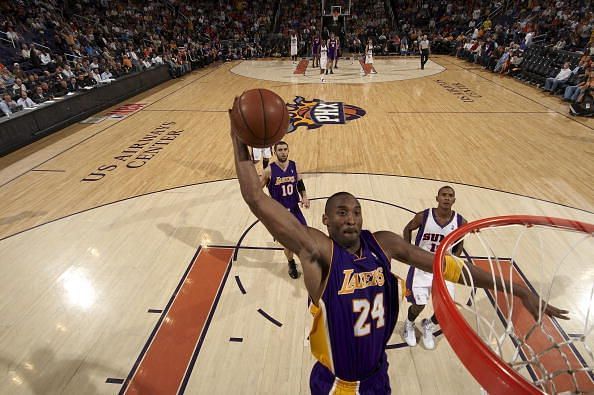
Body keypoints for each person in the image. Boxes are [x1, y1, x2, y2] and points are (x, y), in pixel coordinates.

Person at [229, 103, 568, 394]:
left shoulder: (384, 244)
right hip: (337, 384)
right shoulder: (320, 250)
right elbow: (255, 198)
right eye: (341, 212)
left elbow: (447, 265)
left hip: (379, 378)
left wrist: (517, 289)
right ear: (326, 221)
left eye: (356, 211)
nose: (351, 218)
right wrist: (238, 138)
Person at [402, 186, 467, 349]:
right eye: (443, 195)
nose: (446, 198)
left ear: (454, 200)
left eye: (450, 196)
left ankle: (428, 325)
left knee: (446, 308)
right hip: (422, 266)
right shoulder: (423, 216)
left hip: (443, 268)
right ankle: (409, 324)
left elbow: (460, 242)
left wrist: (455, 260)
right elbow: (407, 229)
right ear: (437, 198)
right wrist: (409, 250)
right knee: (419, 304)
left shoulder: (460, 222)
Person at [259, 141, 310, 279]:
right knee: (288, 244)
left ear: (288, 151)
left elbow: (299, 183)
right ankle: (291, 262)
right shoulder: (269, 170)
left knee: (305, 236)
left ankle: (307, 262)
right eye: (280, 150)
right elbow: (258, 190)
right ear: (275, 152)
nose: (283, 152)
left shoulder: (294, 165)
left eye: (285, 149)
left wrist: (304, 197)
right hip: (279, 214)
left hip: (294, 209)